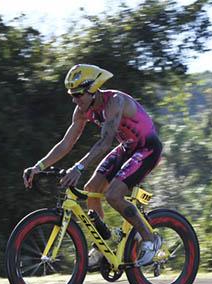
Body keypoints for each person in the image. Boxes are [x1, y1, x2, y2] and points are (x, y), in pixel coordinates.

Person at [23, 64, 163, 269]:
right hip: (128, 147)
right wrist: (38, 166)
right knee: (90, 191)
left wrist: (78, 167)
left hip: (147, 148)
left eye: (78, 94)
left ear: (92, 88)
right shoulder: (82, 110)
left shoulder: (114, 102)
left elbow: (105, 143)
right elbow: (66, 143)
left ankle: (150, 239)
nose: (74, 99)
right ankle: (103, 243)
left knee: (113, 195)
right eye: (71, 94)